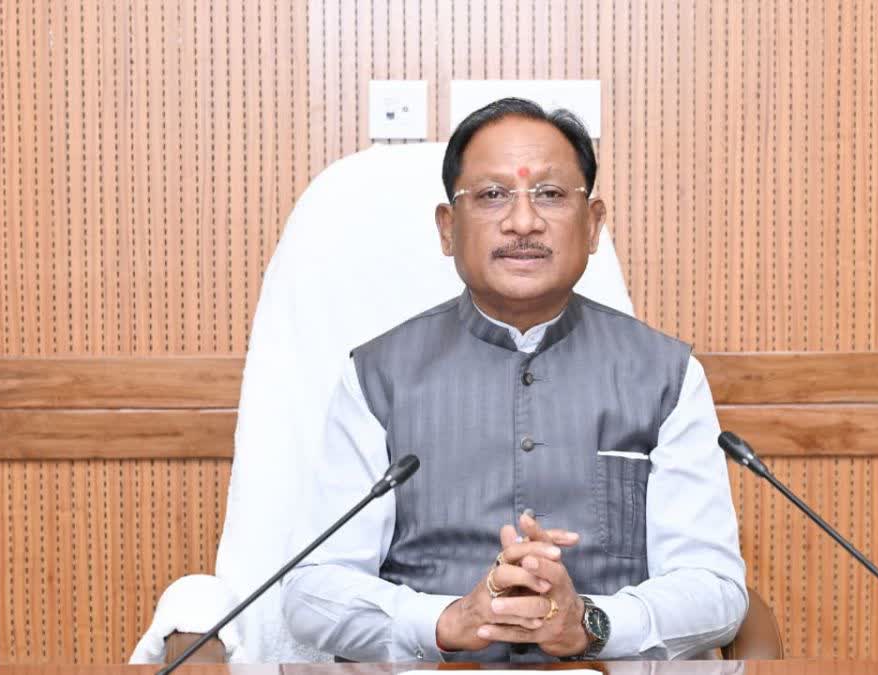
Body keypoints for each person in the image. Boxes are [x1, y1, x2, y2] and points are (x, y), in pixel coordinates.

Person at [279, 98, 746, 663]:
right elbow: (313, 591)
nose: (523, 222)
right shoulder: (376, 377)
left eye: (549, 194)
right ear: (447, 228)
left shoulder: (665, 375)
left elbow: (715, 590)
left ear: (593, 225)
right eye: (492, 195)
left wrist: (590, 624)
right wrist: (450, 620)